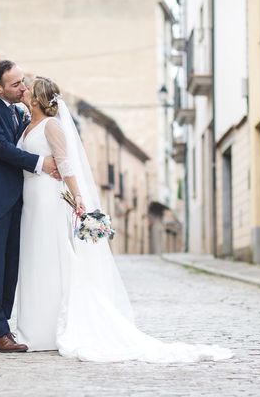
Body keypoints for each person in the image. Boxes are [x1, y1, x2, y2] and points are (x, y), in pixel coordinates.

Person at [15, 76, 233, 362]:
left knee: (50, 257)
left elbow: (66, 163)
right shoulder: (26, 124)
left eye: (27, 86)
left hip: (47, 199)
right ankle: (34, 327)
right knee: (33, 258)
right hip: (31, 200)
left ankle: (50, 328)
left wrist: (78, 197)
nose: (23, 88)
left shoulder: (51, 126)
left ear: (37, 97)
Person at [0, 60, 59, 353]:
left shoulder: (18, 112)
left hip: (18, 202)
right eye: (16, 84)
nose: (23, 87)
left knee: (10, 271)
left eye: (23, 81)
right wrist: (40, 163)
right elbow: (0, 148)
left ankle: (3, 329)